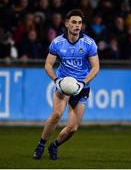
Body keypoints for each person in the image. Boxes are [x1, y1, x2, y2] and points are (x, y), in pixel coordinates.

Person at [33, 9, 100, 160]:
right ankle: (41, 145)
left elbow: (96, 67)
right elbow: (48, 65)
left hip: (81, 87)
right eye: (74, 22)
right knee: (56, 114)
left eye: (80, 23)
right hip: (63, 84)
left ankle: (54, 145)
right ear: (67, 23)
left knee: (72, 128)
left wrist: (83, 83)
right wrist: (57, 80)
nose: (77, 25)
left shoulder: (89, 43)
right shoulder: (57, 42)